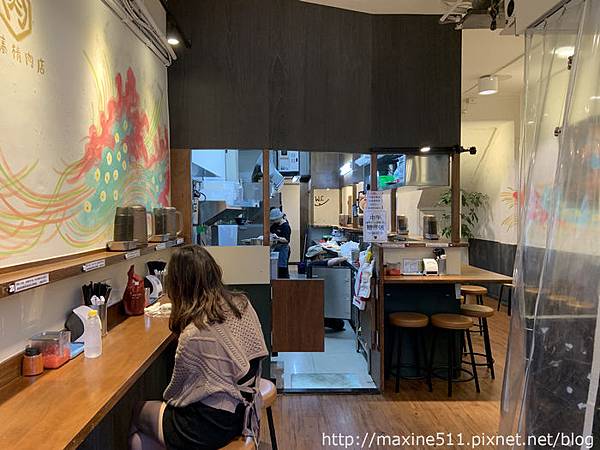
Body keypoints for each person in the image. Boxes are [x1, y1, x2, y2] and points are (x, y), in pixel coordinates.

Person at [129, 245, 268, 450]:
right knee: (141, 439)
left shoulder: (194, 333)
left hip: (210, 426)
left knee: (138, 412)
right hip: (245, 411)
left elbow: (176, 394)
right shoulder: (242, 304)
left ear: (178, 285)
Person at [304, 245, 348, 332]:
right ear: (318, 256)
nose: (323, 257)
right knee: (339, 324)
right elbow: (331, 262)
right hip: (320, 300)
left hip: (319, 298)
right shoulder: (315, 265)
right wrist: (345, 257)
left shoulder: (311, 264)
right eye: (322, 255)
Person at [269, 208, 291, 278]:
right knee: (276, 268)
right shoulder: (275, 225)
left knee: (282, 268)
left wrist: (277, 238)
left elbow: (286, 240)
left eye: (275, 219)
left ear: (279, 217)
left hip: (283, 249)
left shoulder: (286, 226)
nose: (274, 221)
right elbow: (270, 232)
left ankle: (285, 282)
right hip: (276, 247)